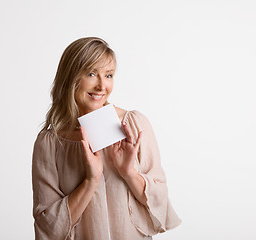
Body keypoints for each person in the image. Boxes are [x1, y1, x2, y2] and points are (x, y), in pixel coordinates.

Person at [32, 37, 181, 240]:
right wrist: (90, 180)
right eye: (91, 74)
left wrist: (129, 173)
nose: (102, 85)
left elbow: (161, 201)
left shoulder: (134, 124)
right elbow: (48, 225)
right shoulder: (50, 142)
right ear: (70, 77)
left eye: (108, 75)